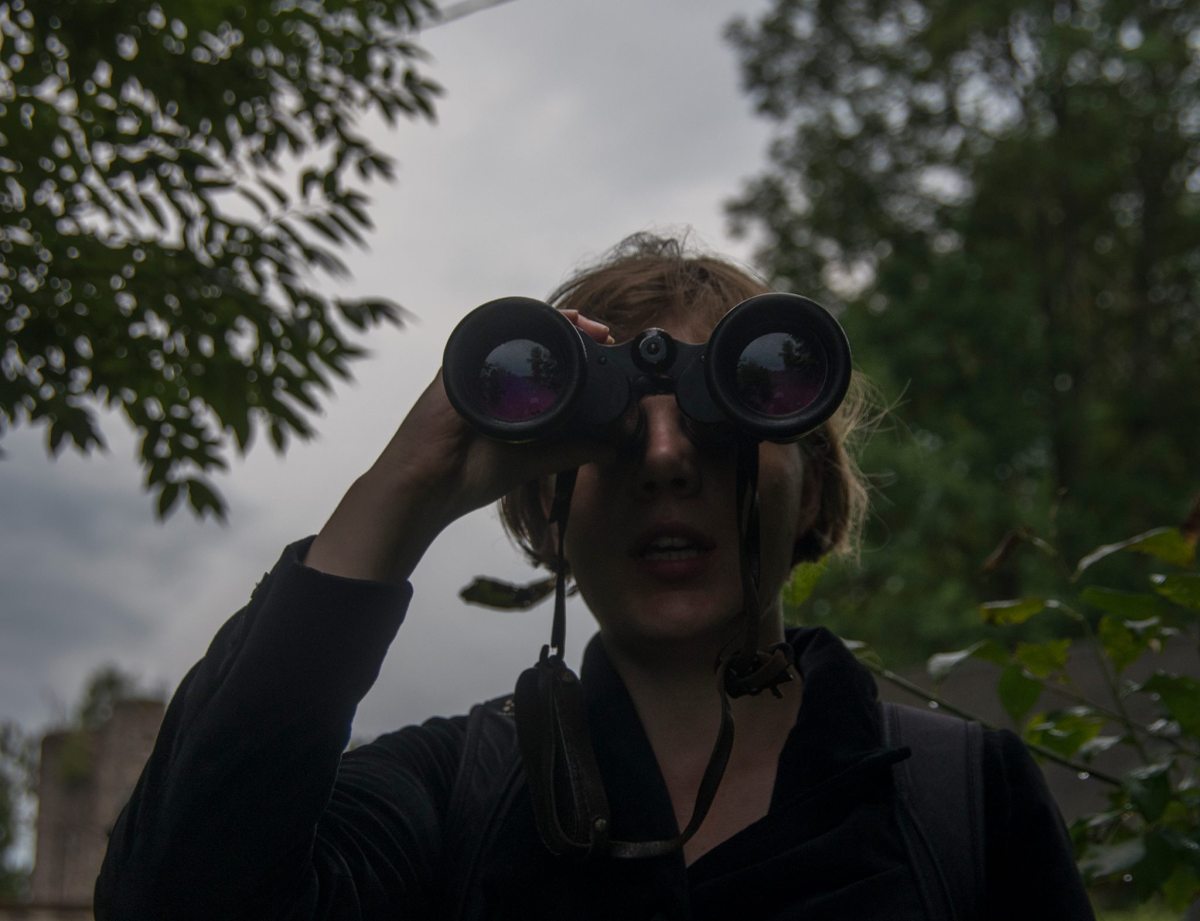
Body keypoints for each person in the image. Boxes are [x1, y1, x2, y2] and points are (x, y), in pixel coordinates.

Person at [95, 233, 1095, 920]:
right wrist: (402, 489)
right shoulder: (455, 798)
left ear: (816, 495)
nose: (664, 459)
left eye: (724, 418)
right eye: (610, 435)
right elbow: (175, 899)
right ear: (543, 512)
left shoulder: (962, 803)